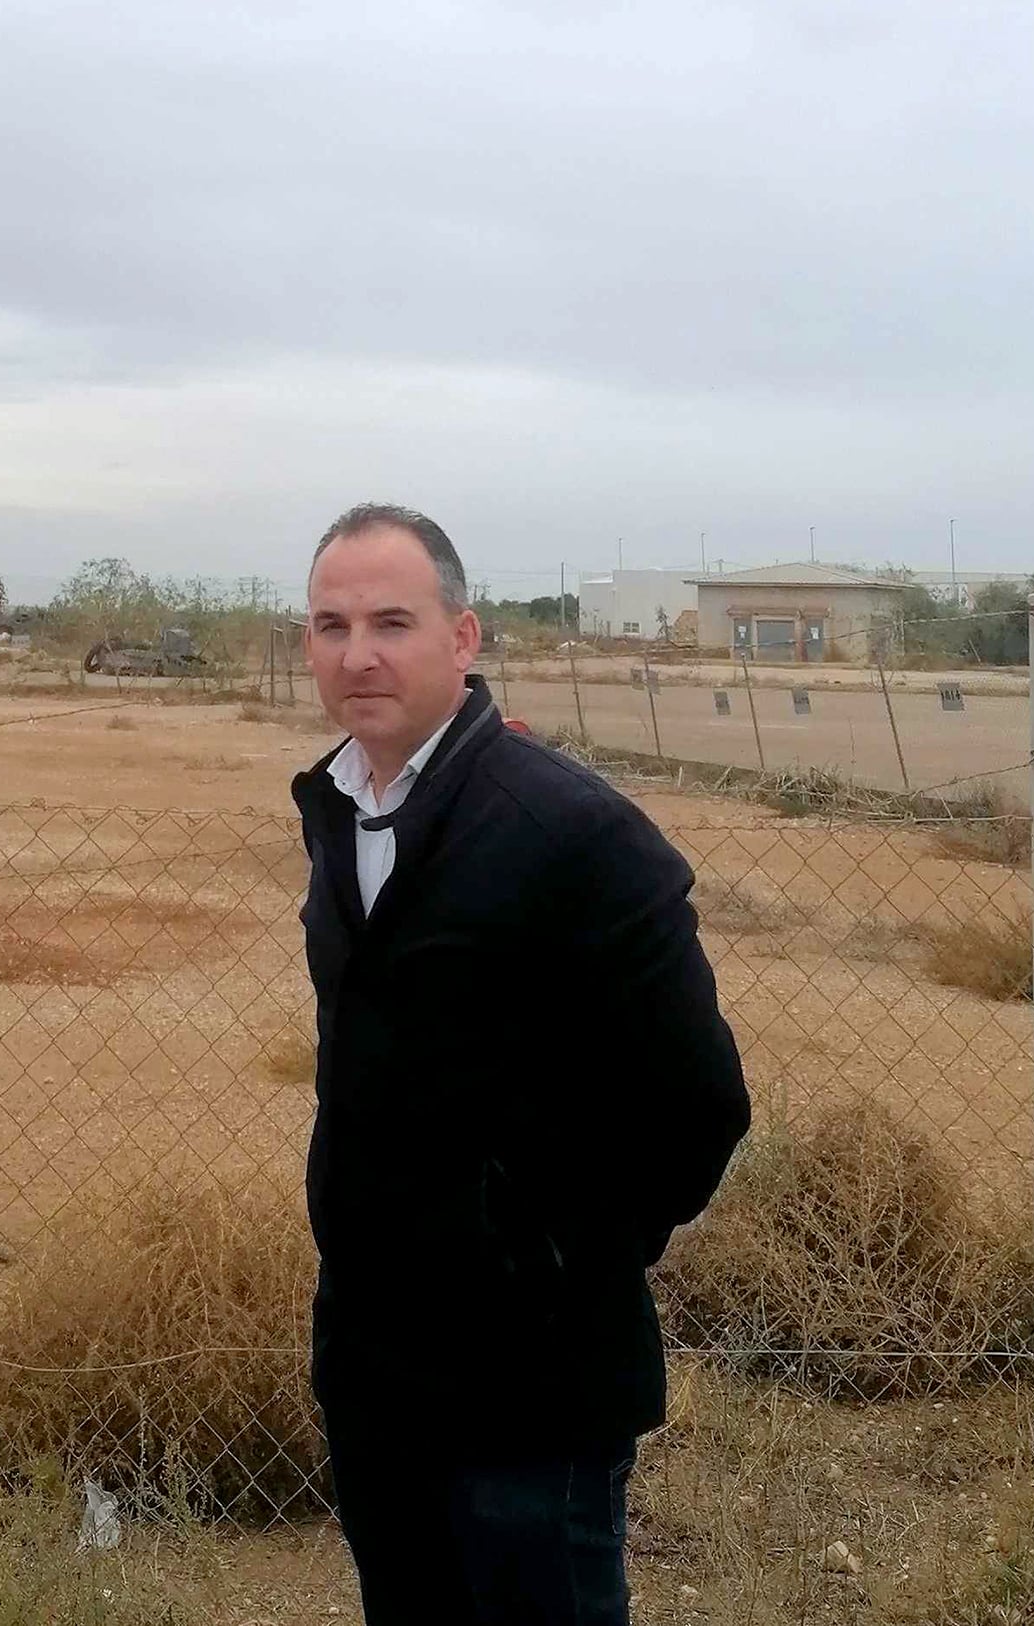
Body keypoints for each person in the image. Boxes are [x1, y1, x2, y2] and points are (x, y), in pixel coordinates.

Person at [292, 503, 750, 1625]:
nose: (358, 654)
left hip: (529, 1392)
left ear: (463, 639)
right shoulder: (339, 812)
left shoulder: (570, 834)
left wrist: (549, 1256)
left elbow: (699, 1106)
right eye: (329, 623)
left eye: (392, 621)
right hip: (374, 1370)